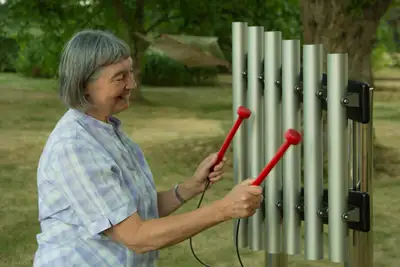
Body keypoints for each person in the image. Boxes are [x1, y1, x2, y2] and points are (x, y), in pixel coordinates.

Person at [33, 29, 263, 267]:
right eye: (119, 77)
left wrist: (190, 187)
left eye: (130, 72)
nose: (132, 83)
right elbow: (136, 236)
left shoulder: (108, 131)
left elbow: (137, 210)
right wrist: (225, 208)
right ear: (84, 86)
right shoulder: (75, 148)